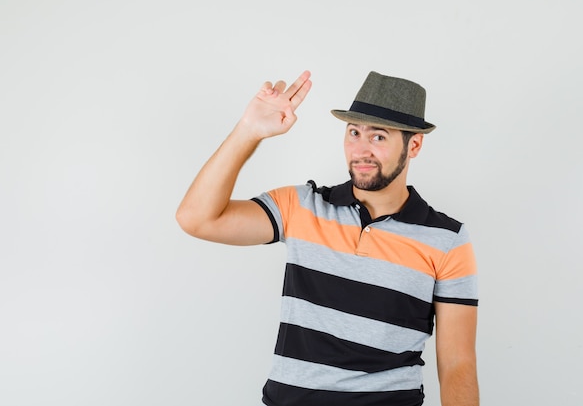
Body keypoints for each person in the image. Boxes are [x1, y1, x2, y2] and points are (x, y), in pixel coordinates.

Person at [176, 70, 479, 406]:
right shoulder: (301, 206)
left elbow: (457, 364)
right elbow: (196, 219)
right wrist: (249, 131)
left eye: (378, 137)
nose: (360, 150)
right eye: (353, 133)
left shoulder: (448, 239)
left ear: (415, 145)